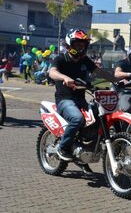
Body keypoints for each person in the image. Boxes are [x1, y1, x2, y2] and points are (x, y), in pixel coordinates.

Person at [49, 29, 120, 171]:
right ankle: (62, 148)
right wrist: (64, 78)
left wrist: (117, 80)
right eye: (77, 45)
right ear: (70, 45)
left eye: (83, 45)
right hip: (65, 100)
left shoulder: (84, 60)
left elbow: (98, 72)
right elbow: (52, 72)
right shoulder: (61, 59)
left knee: (100, 116)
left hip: (81, 100)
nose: (81, 48)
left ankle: (86, 149)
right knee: (77, 119)